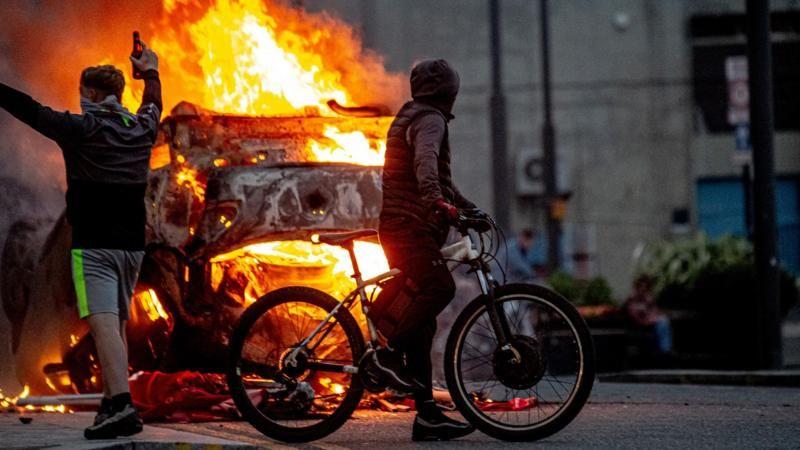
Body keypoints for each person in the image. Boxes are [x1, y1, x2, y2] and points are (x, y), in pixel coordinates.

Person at [0, 44, 161, 439]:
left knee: (102, 321)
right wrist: (151, 72)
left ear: (89, 94)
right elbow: (154, 103)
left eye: (81, 92)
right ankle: (110, 404)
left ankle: (122, 406)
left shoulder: (80, 129)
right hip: (132, 247)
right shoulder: (142, 128)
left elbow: (31, 110)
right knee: (117, 323)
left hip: (94, 245)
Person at [375, 59, 476, 441]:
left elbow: (442, 183)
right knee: (440, 289)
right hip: (409, 228)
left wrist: (467, 209)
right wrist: (437, 202)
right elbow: (426, 166)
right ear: (449, 92)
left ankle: (427, 417)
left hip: (406, 227)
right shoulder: (431, 119)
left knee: (423, 324)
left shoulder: (412, 114)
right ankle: (387, 355)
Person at [624, 275, 673, 355]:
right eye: (641, 286)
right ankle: (665, 351)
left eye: (646, 287)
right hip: (640, 327)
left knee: (664, 321)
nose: (643, 289)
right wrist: (651, 318)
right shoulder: (633, 301)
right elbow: (637, 318)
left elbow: (656, 312)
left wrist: (650, 304)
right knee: (663, 322)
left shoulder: (648, 299)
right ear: (637, 287)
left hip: (650, 325)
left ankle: (665, 350)